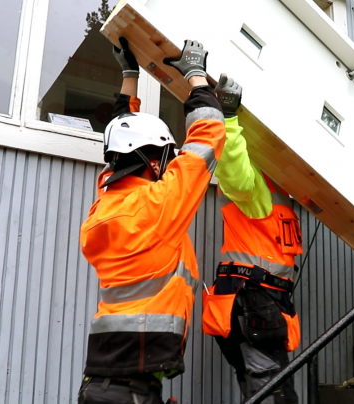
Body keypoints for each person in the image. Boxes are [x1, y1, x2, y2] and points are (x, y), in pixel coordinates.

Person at [77, 36, 226, 404]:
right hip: (132, 389)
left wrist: (129, 74)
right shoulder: (160, 205)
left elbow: (119, 143)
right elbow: (208, 136)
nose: (168, 163)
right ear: (155, 161)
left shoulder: (103, 209)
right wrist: (196, 75)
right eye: (165, 155)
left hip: (101, 381)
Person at [202, 74, 303, 403]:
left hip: (260, 307)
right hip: (252, 305)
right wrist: (229, 118)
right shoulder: (258, 186)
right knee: (273, 395)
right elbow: (234, 172)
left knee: (265, 390)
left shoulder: (281, 191)